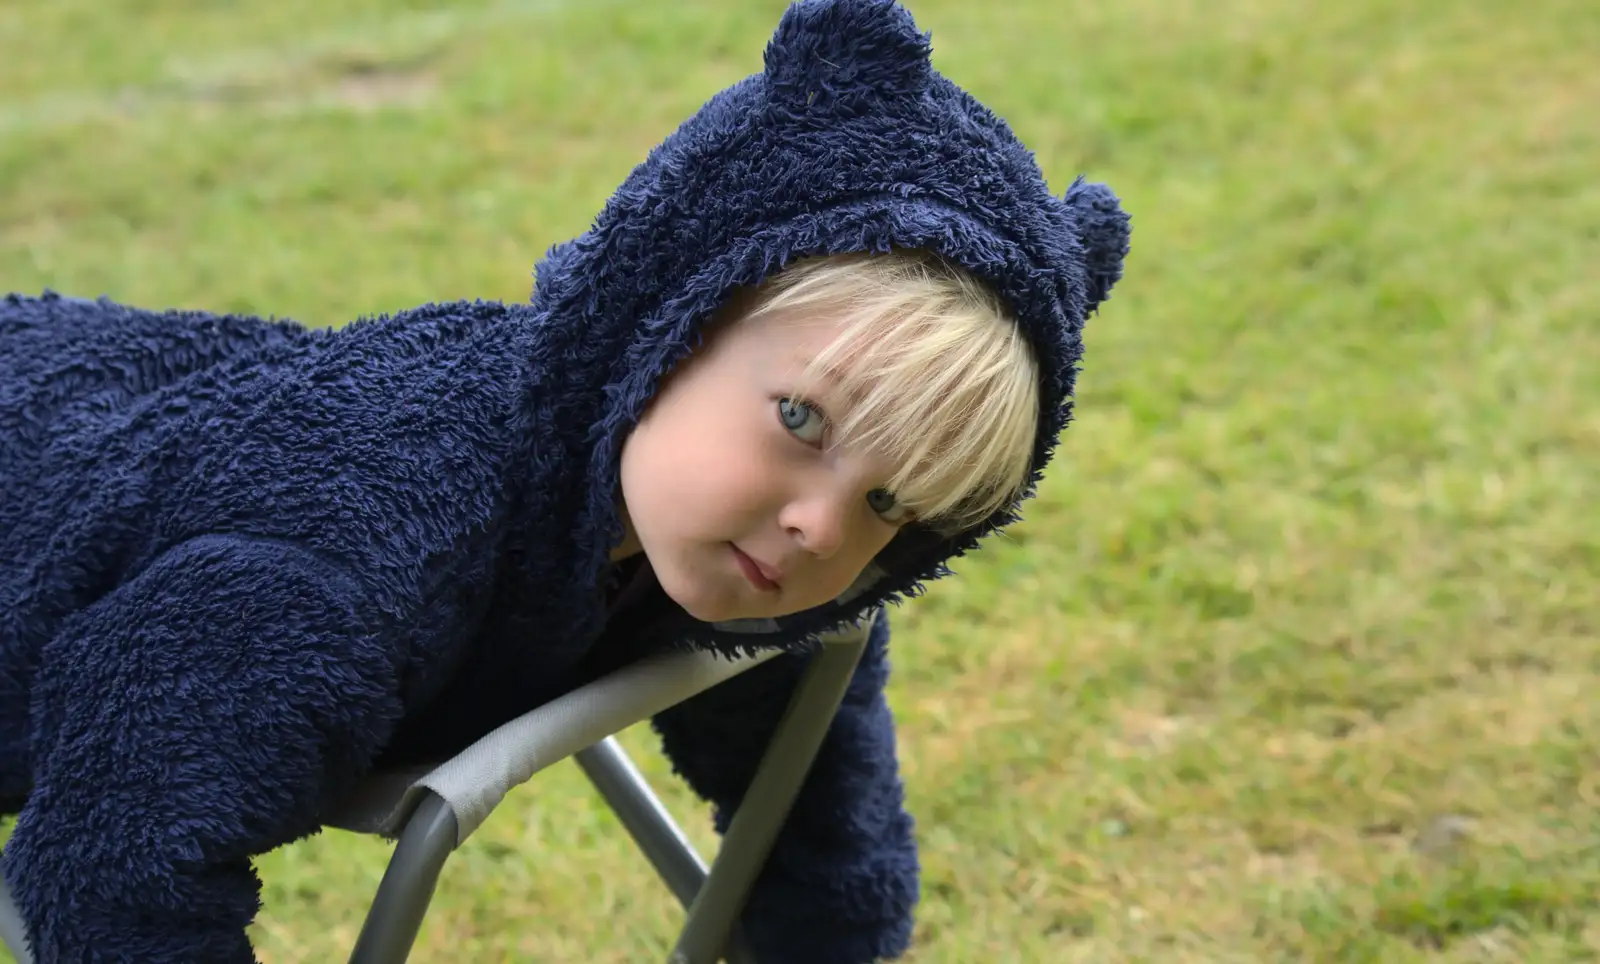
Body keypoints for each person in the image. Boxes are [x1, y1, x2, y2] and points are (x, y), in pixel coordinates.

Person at [0, 1, 1131, 961]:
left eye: (892, 505)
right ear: (664, 323)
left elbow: (815, 820)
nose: (819, 524)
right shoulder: (335, 561)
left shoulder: (756, 558)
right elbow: (108, 856)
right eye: (800, 418)